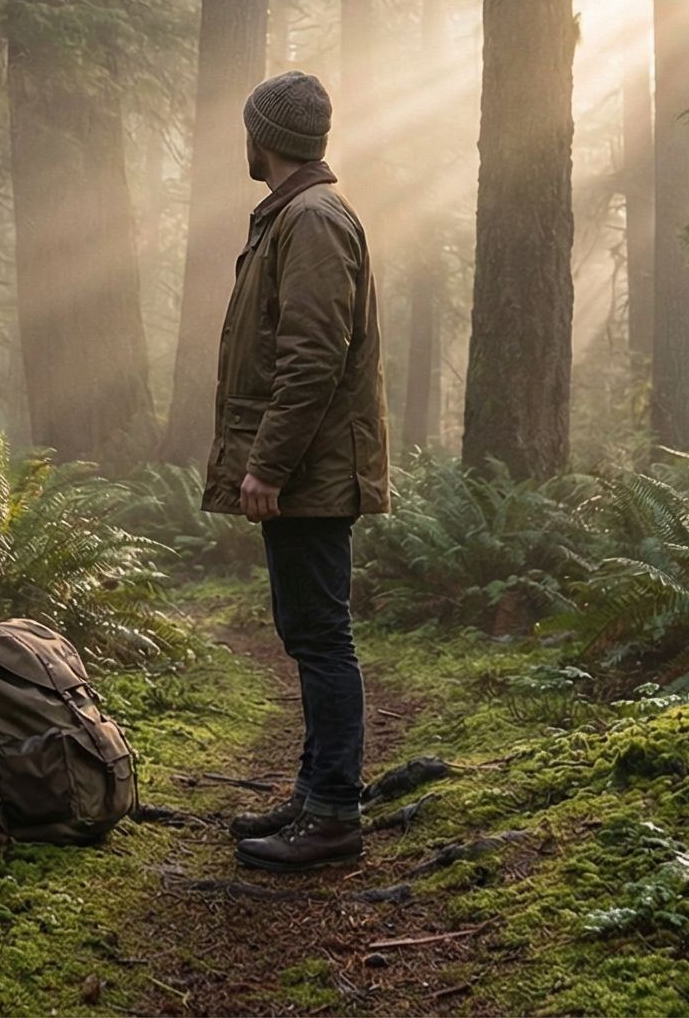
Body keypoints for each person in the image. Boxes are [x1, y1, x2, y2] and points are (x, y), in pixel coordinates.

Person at [205, 70, 391, 872]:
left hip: (309, 470)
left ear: (264, 138)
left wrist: (268, 465)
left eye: (248, 129)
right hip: (307, 468)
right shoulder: (297, 215)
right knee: (309, 632)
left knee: (321, 638)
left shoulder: (310, 219)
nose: (244, 140)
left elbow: (313, 358)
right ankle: (318, 791)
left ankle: (332, 814)